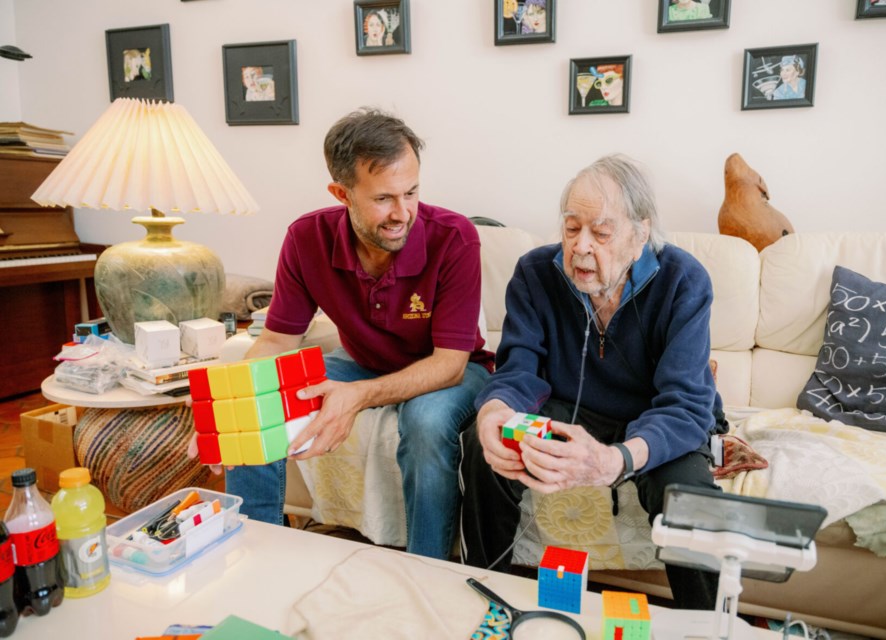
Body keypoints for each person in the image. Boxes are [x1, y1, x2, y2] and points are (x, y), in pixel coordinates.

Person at [188, 108, 494, 561]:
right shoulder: (306, 238)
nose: (402, 213)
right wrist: (225, 408)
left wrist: (360, 396)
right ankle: (254, 555)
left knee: (427, 423)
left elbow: (449, 362)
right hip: (362, 363)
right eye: (384, 198)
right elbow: (275, 342)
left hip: (452, 369)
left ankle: (428, 569)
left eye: (411, 193)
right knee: (261, 397)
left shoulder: (455, 238)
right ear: (341, 193)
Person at [459, 154, 726, 610]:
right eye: (571, 227)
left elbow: (686, 405)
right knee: (484, 451)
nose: (581, 246)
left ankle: (703, 625)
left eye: (601, 233)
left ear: (640, 236)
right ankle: (486, 601)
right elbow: (519, 369)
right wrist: (492, 415)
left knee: (689, 501)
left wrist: (616, 460)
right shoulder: (535, 273)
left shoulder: (684, 280)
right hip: (568, 409)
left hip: (655, 418)